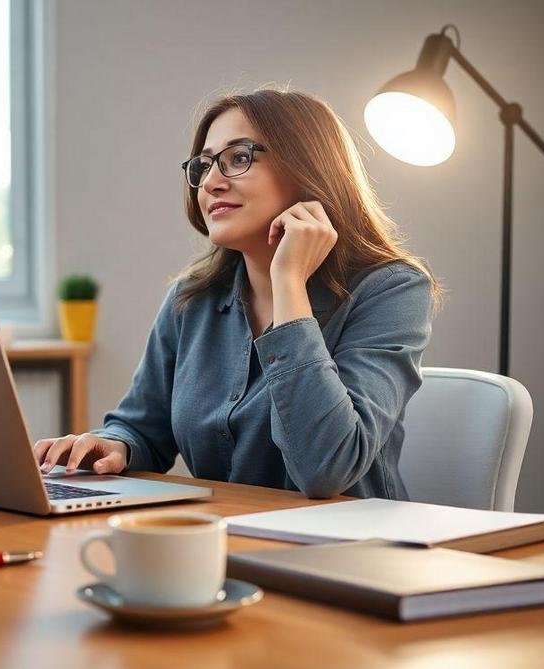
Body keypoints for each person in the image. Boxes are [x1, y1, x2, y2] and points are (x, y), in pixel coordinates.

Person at [32, 88, 443, 499]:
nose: (210, 182)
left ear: (308, 169)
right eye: (205, 165)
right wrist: (115, 444)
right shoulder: (190, 299)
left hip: (350, 549)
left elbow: (326, 469)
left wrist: (288, 283)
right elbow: (142, 427)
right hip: (224, 540)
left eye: (238, 158)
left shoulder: (392, 290)